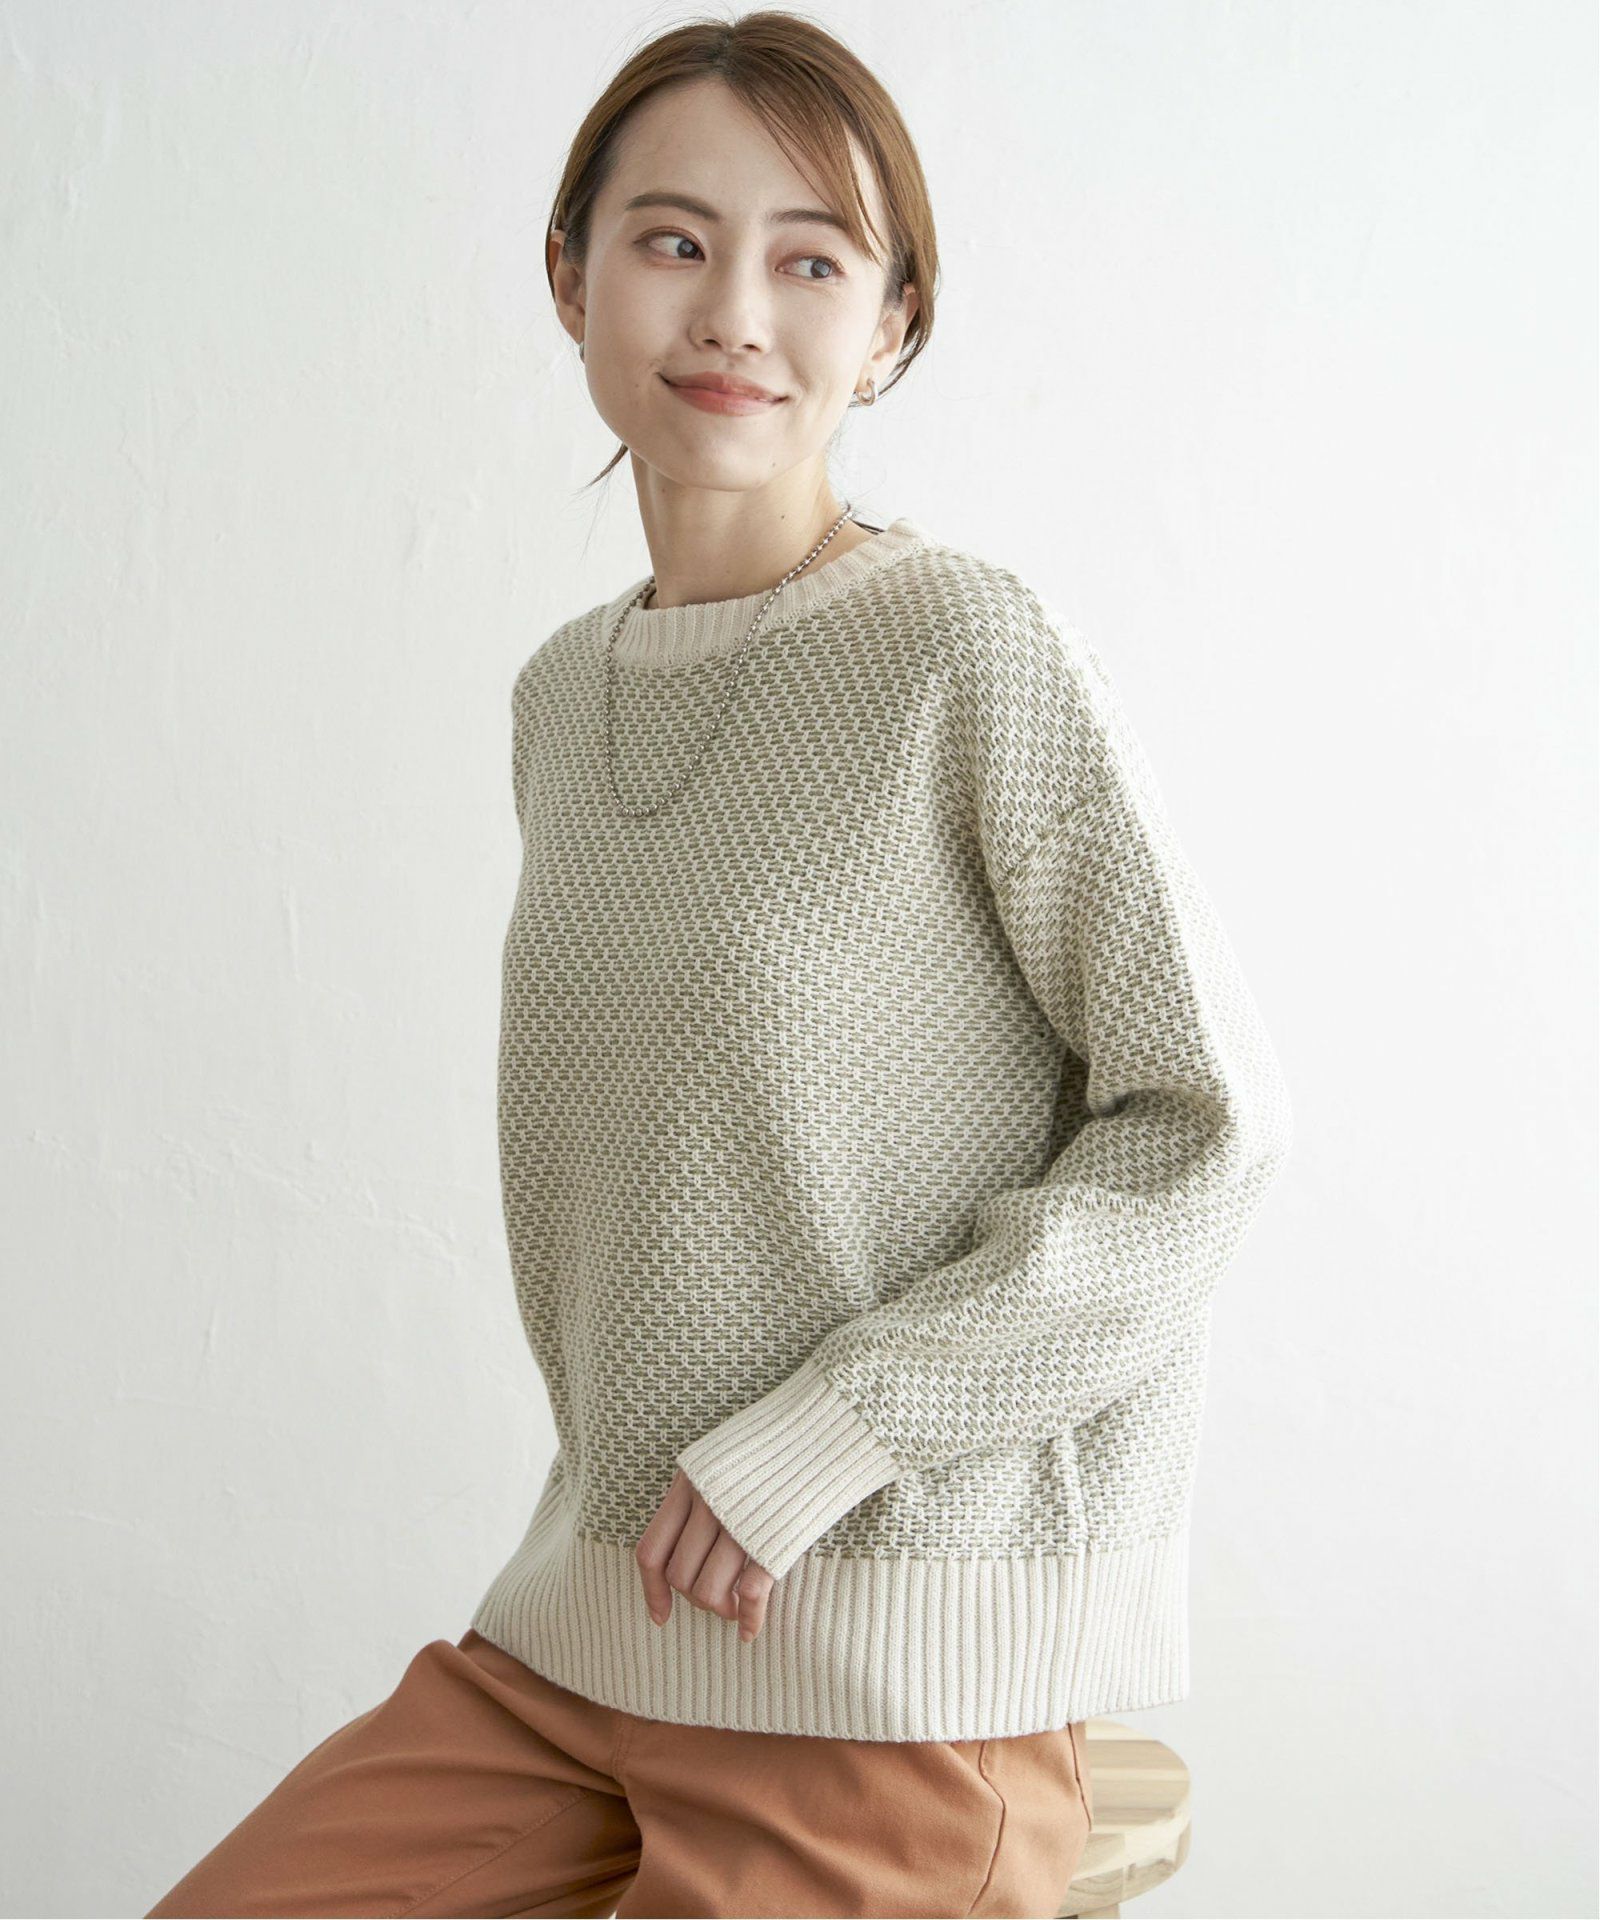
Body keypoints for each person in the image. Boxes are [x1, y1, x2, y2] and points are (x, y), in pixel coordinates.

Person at [146, 10, 1292, 1918]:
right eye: (673, 240)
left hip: (884, 1669)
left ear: (893, 325)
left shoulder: (965, 650)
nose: (734, 313)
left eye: (811, 262)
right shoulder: (562, 695)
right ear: (570, 276)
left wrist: (845, 1426)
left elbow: (1209, 1126)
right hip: (582, 1641)